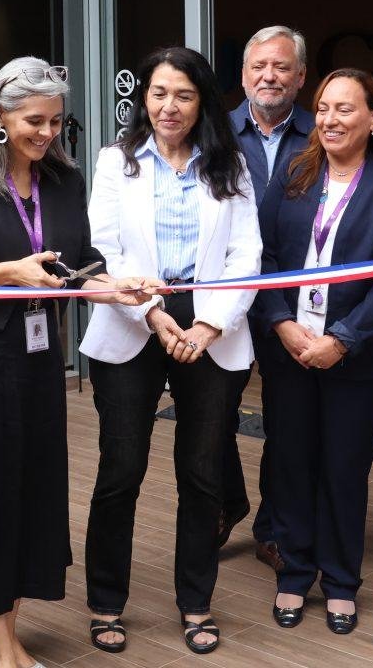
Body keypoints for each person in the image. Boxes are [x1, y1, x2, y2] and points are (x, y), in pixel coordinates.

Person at [0, 57, 155, 668]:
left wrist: (117, 288)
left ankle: (8, 631)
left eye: (55, 121)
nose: (46, 133)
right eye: (33, 121)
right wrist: (8, 274)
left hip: (37, 366)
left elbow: (79, 266)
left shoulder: (65, 181)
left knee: (26, 496)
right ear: (0, 114)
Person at [80, 47, 260, 655]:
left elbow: (246, 254)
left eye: (183, 94)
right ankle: (106, 601)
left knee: (203, 473)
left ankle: (196, 601)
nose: (169, 106)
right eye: (158, 93)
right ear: (144, 99)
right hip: (135, 320)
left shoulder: (227, 163)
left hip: (211, 323)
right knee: (121, 469)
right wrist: (154, 316)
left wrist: (207, 327)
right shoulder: (116, 160)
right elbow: (103, 248)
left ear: (202, 100)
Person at [253, 67, 373, 636]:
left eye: (344, 109)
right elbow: (266, 257)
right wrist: (281, 324)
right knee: (292, 464)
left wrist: (342, 340)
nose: (328, 119)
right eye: (322, 108)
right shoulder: (294, 178)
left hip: (357, 358)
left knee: (345, 469)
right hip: (289, 350)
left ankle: (342, 581)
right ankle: (295, 573)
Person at [222, 25, 313, 568]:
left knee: (285, 420)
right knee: (210, 414)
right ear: (244, 74)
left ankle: (274, 527)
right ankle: (226, 501)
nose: (269, 76)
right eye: (259, 67)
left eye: (281, 67)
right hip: (228, 297)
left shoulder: (321, 131)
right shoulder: (214, 131)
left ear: (301, 77)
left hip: (289, 300)